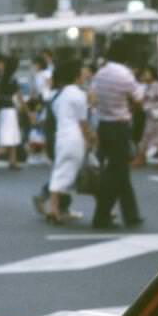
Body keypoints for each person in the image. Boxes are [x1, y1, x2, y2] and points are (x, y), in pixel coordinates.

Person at [89, 36, 146, 230]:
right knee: (117, 172)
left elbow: (93, 98)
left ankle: (131, 214)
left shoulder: (101, 73)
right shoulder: (125, 75)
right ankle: (101, 216)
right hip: (120, 126)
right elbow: (139, 99)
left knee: (118, 170)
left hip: (104, 125)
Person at [43, 57, 95, 225]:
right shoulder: (79, 94)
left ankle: (54, 208)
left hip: (61, 136)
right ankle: (54, 208)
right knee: (66, 173)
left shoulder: (60, 94)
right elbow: (83, 122)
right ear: (76, 75)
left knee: (61, 170)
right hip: (74, 137)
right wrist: (91, 138)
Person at [0, 57, 26, 169]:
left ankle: (13, 161)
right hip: (10, 110)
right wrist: (27, 110)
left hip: (2, 109)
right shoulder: (13, 79)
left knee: (11, 135)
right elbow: (20, 96)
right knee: (10, 136)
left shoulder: (2, 78)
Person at [135, 64, 158, 167]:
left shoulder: (157, 85)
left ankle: (141, 158)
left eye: (147, 73)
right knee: (154, 137)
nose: (145, 76)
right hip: (150, 116)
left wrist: (151, 106)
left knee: (150, 136)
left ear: (152, 74)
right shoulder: (148, 86)